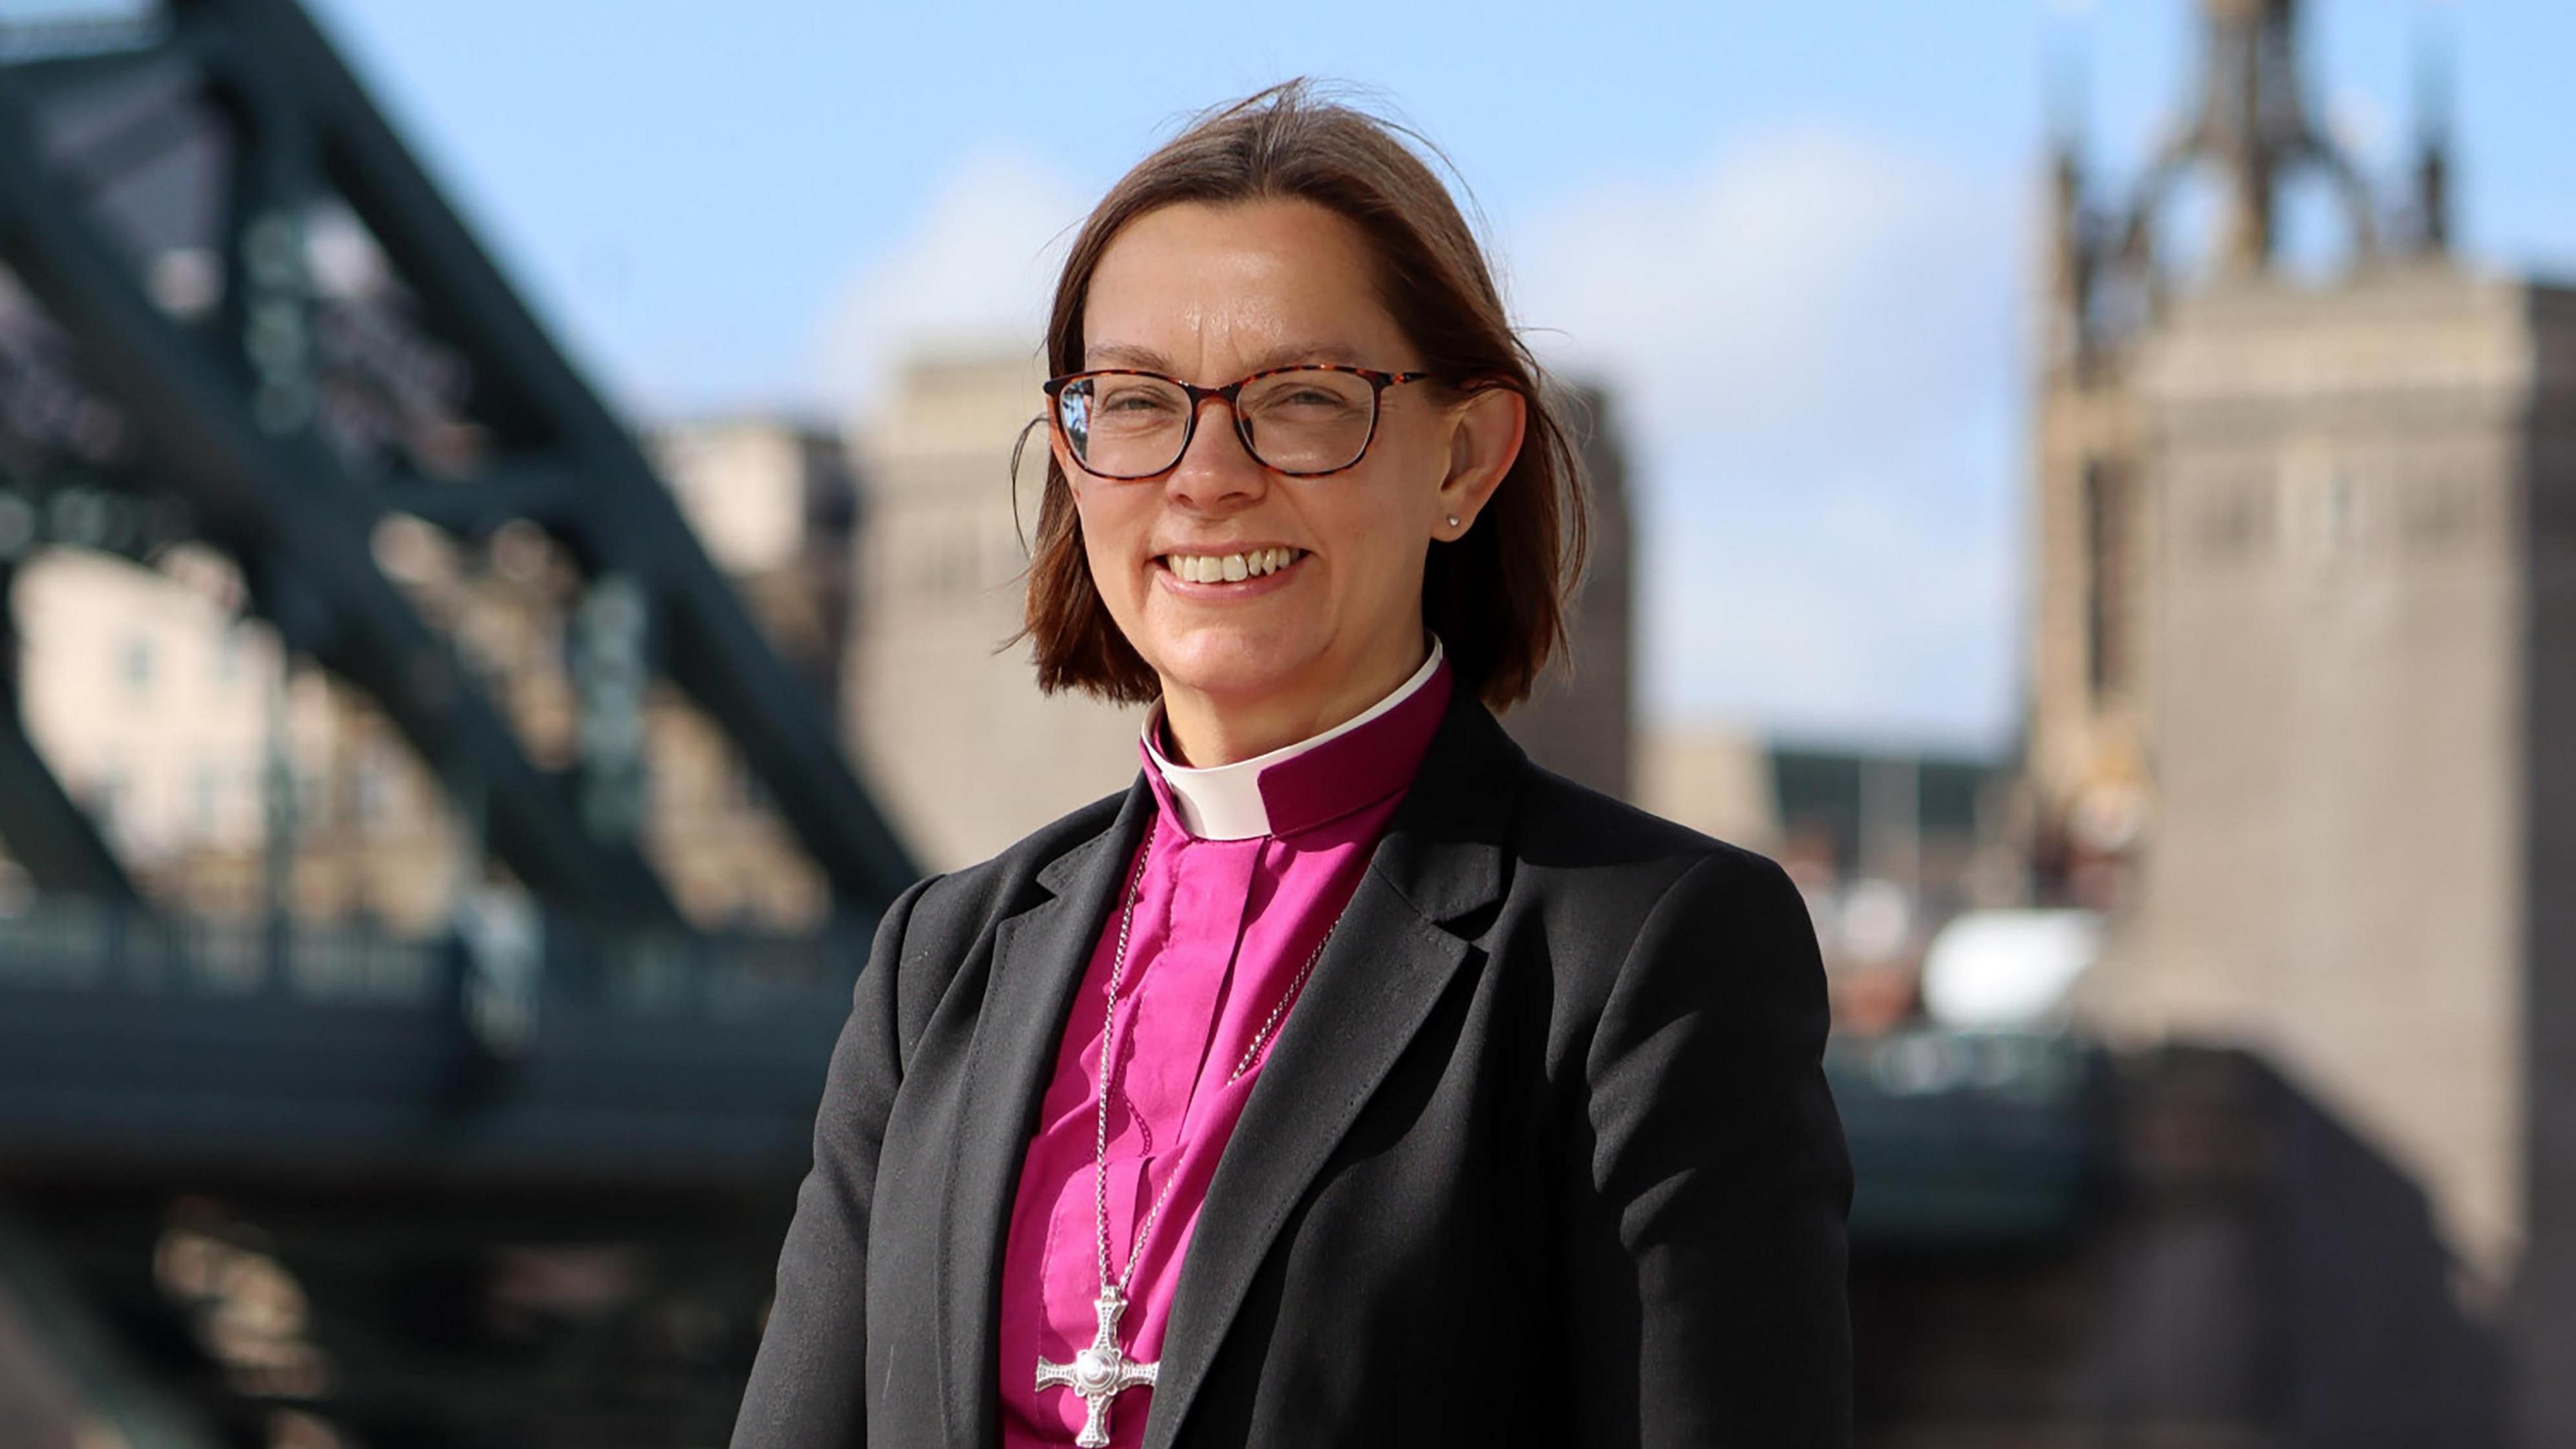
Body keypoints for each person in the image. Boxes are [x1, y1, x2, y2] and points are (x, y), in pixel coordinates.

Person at [731, 80, 1851, 1449]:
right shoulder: (940, 967)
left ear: (1465, 455)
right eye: (1135, 404)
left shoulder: (1648, 956)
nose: (1206, 475)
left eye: (1302, 400)